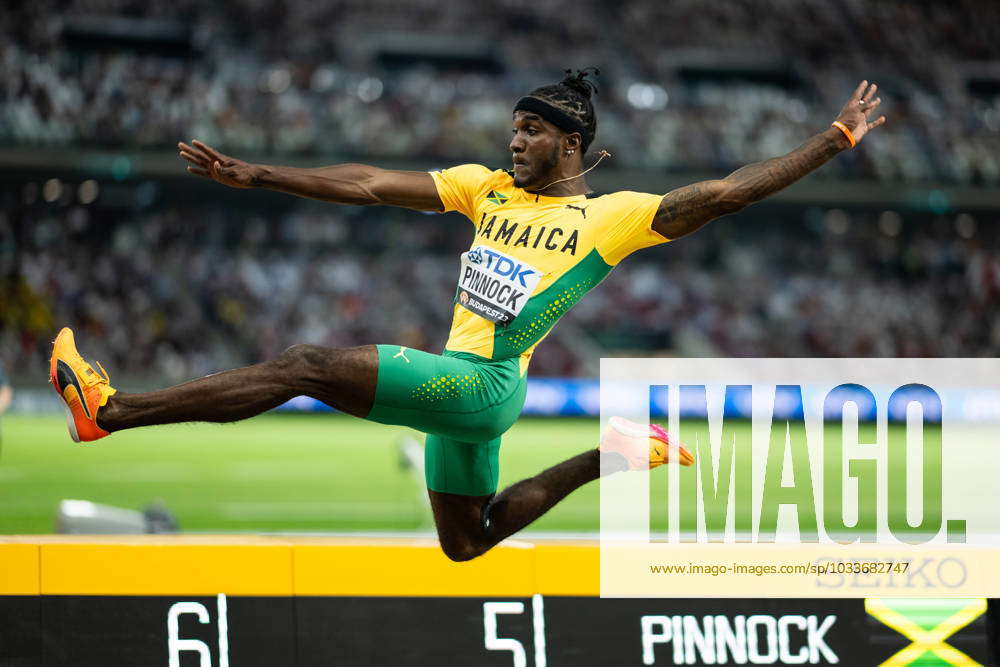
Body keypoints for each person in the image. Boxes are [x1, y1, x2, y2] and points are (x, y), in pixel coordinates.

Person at [50, 70, 884, 560]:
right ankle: (614, 455)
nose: (513, 141)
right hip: (473, 390)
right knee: (468, 541)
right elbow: (373, 183)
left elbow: (731, 191)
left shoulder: (613, 216)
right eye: (512, 129)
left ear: (568, 142)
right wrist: (260, 174)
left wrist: (833, 140)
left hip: (483, 384)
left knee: (305, 363)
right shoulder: (483, 188)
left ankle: (110, 411)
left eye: (529, 131)